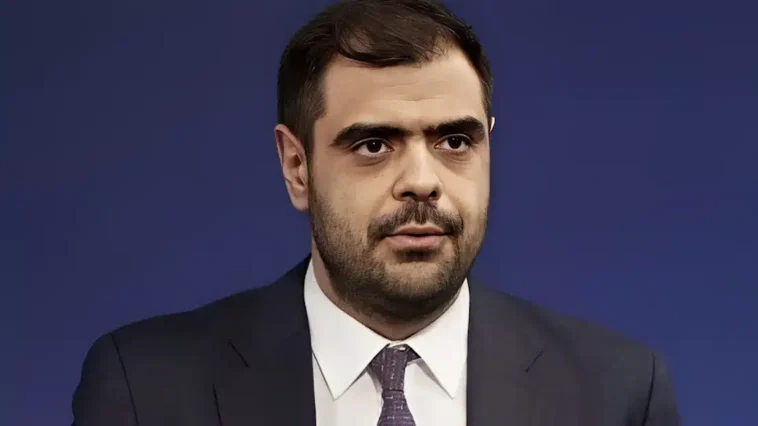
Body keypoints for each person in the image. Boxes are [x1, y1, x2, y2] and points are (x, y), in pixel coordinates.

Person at [72, 0, 681, 425]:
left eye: (455, 141)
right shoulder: (144, 389)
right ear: (297, 166)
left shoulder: (621, 393)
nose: (422, 182)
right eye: (373, 145)